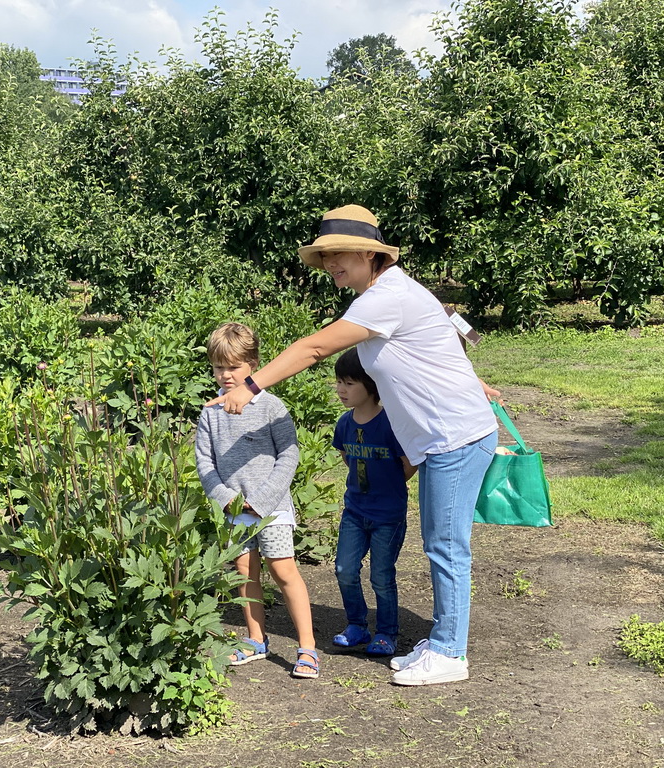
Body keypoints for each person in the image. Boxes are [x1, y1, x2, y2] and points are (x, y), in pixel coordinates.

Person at [206, 205, 499, 686]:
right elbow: (437, 344)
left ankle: (450, 651)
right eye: (324, 257)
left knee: (446, 546)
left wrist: (249, 387)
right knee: (439, 543)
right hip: (443, 437)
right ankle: (444, 637)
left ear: (369, 253)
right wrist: (473, 383)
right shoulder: (385, 293)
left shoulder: (387, 296)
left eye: (338, 254)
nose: (330, 265)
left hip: (455, 437)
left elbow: (313, 347)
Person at [195, 322, 320, 680]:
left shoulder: (271, 407)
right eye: (219, 367)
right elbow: (204, 461)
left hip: (273, 509)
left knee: (283, 572)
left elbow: (289, 455)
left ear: (252, 364)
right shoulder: (210, 413)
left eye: (233, 367)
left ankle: (307, 646)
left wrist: (262, 500)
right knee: (244, 572)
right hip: (234, 511)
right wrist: (228, 499)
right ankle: (255, 640)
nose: (225, 375)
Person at [331, 347, 416, 658]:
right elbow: (347, 457)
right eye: (339, 382)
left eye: (350, 383)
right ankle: (357, 624)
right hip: (354, 511)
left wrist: (389, 487)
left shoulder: (392, 423)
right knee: (344, 568)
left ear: (372, 385)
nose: (341, 389)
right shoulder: (344, 424)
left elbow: (409, 463)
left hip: (387, 516)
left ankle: (386, 632)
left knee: (381, 574)